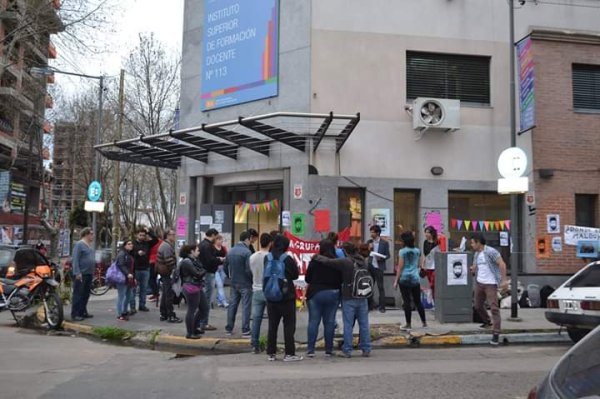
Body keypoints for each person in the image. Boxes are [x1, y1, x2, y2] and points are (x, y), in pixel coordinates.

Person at [314, 241, 371, 358]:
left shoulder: (346, 262)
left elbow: (328, 262)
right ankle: (366, 348)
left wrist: (315, 256)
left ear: (345, 251)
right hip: (363, 296)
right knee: (364, 324)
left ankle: (347, 349)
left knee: (348, 324)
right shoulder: (364, 261)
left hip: (349, 297)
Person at [264, 234, 302, 362]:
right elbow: (296, 275)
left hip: (270, 296)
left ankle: (271, 353)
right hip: (286, 296)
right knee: (289, 325)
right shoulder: (287, 259)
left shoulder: (267, 258)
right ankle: (289, 354)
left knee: (272, 326)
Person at [305, 239, 342, 357]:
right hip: (333, 293)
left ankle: (311, 349)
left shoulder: (315, 261)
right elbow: (340, 279)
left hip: (315, 293)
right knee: (330, 322)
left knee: (313, 321)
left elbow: (307, 279)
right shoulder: (336, 261)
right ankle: (329, 350)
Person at [470, 233, 508, 346]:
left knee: (494, 308)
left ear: (478, 242)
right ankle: (487, 321)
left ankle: (496, 333)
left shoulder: (491, 251)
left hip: (490, 283)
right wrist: (472, 269)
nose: (471, 245)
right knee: (477, 305)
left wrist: (504, 280)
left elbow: (502, 264)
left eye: (472, 243)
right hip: (479, 283)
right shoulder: (476, 254)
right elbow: (476, 267)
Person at [393, 232, 427, 331]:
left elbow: (400, 267)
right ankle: (424, 322)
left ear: (404, 241)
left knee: (406, 301)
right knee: (418, 301)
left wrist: (396, 281)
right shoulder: (417, 251)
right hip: (415, 278)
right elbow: (420, 265)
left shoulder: (402, 252)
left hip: (404, 279)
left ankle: (408, 324)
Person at [224, 231, 253, 336]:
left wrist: (229, 276)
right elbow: (249, 269)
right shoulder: (247, 252)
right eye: (250, 240)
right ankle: (245, 329)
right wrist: (251, 280)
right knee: (246, 306)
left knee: (232, 305)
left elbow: (225, 266)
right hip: (245, 283)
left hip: (234, 282)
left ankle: (229, 328)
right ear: (247, 239)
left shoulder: (231, 251)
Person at [249, 233, 273, 353]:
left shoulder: (253, 257)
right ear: (270, 243)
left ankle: (254, 344)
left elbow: (250, 271)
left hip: (256, 289)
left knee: (256, 319)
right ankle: (270, 343)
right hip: (268, 290)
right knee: (272, 319)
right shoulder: (271, 257)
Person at [179, 244, 208, 339]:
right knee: (192, 310)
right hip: (190, 287)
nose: (199, 252)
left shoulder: (194, 260)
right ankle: (190, 332)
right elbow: (197, 274)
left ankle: (195, 327)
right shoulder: (187, 262)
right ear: (191, 251)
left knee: (204, 308)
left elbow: (199, 271)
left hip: (197, 286)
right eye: (197, 250)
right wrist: (205, 270)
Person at [156, 229, 182, 323]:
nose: (174, 236)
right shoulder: (166, 246)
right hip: (167, 272)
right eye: (173, 234)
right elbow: (168, 260)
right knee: (169, 294)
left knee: (166, 293)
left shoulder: (166, 245)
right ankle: (170, 315)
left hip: (165, 271)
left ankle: (164, 314)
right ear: (168, 235)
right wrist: (173, 271)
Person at [198, 228, 222, 330]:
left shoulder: (202, 244)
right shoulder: (207, 246)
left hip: (203, 272)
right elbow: (210, 260)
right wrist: (220, 260)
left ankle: (200, 322)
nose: (216, 239)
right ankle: (204, 323)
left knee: (203, 298)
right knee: (206, 299)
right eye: (216, 237)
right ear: (212, 235)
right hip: (208, 273)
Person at [71, 228, 96, 321]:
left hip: (89, 273)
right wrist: (77, 272)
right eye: (91, 234)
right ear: (86, 234)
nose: (93, 236)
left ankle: (83, 311)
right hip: (81, 273)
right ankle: (75, 313)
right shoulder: (79, 244)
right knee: (78, 294)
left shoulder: (89, 245)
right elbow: (75, 259)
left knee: (86, 294)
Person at [130, 228, 158, 313]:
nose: (142, 237)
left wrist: (149, 231)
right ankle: (132, 307)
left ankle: (142, 305)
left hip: (146, 268)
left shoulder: (147, 244)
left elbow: (155, 240)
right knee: (133, 290)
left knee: (144, 289)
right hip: (135, 269)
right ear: (136, 235)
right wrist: (137, 253)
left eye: (143, 235)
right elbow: (129, 253)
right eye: (140, 235)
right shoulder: (132, 243)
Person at [367, 225, 390, 313]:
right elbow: (365, 253)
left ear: (377, 233)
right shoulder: (369, 242)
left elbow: (388, 255)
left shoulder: (384, 243)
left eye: (372, 232)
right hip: (370, 266)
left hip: (379, 266)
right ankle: (370, 305)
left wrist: (382, 258)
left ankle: (382, 306)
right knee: (369, 286)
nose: (371, 233)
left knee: (380, 287)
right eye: (371, 232)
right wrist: (368, 249)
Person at [115, 240, 134, 321]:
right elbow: (120, 265)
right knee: (122, 296)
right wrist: (127, 274)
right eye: (129, 244)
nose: (131, 245)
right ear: (125, 245)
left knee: (128, 295)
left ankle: (124, 311)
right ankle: (120, 314)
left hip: (129, 277)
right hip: (122, 278)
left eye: (131, 244)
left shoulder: (128, 254)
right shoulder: (122, 253)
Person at [421, 226, 439, 298]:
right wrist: (423, 264)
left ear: (432, 233)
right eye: (425, 232)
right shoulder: (425, 242)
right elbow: (425, 255)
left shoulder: (437, 242)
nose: (426, 234)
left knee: (433, 282)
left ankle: (434, 297)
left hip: (435, 265)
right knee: (430, 283)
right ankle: (433, 300)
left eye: (428, 232)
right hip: (428, 265)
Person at [213, 234, 229, 308]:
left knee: (221, 285)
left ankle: (219, 301)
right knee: (219, 284)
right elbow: (212, 258)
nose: (220, 241)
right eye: (219, 239)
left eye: (221, 239)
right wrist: (218, 258)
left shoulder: (223, 248)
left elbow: (227, 256)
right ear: (215, 240)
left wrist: (224, 258)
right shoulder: (212, 248)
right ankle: (224, 301)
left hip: (222, 268)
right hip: (215, 268)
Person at [147, 230, 163, 302]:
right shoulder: (160, 242)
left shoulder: (151, 243)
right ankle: (155, 293)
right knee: (155, 278)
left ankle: (156, 294)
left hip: (153, 261)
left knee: (151, 279)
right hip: (159, 261)